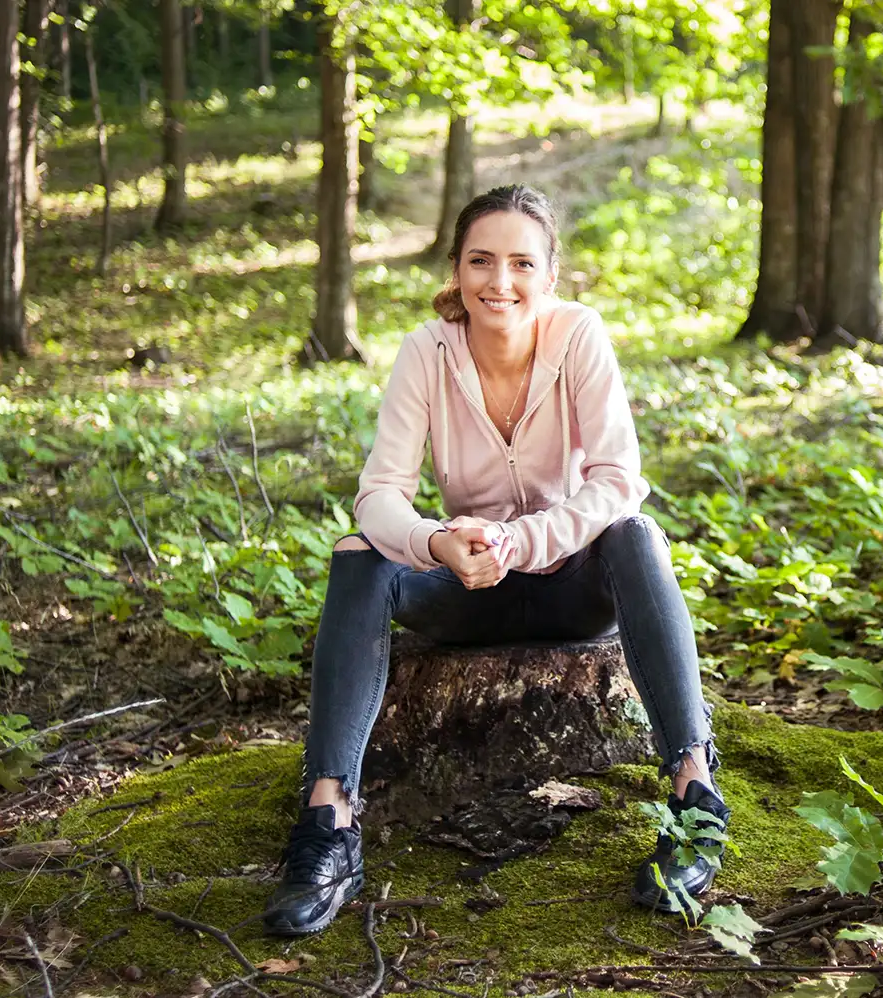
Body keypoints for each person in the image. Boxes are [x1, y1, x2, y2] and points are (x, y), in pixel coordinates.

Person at [261, 184, 727, 936]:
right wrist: (436, 542)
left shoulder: (579, 337)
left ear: (549, 275)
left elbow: (617, 481)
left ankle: (695, 797)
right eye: (480, 261)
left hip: (574, 588)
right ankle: (328, 824)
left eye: (520, 263)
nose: (498, 282)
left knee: (636, 532)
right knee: (358, 555)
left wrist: (526, 541)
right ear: (456, 269)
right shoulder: (427, 351)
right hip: (465, 588)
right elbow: (379, 495)